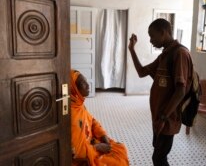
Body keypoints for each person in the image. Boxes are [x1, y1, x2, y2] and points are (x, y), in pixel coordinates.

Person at [128, 18, 193, 166]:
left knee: (159, 158)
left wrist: (163, 118)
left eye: (152, 36)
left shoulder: (180, 54)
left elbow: (180, 91)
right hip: (159, 117)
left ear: (163, 33)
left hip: (168, 118)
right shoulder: (165, 55)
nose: (151, 40)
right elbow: (142, 72)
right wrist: (132, 50)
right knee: (158, 155)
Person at [70, 69, 129, 166]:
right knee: (116, 162)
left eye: (86, 81)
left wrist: (103, 136)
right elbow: (76, 151)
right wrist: (97, 147)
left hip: (92, 142)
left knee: (121, 149)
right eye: (82, 83)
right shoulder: (72, 115)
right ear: (73, 88)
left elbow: (92, 121)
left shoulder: (78, 104)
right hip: (85, 157)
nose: (88, 86)